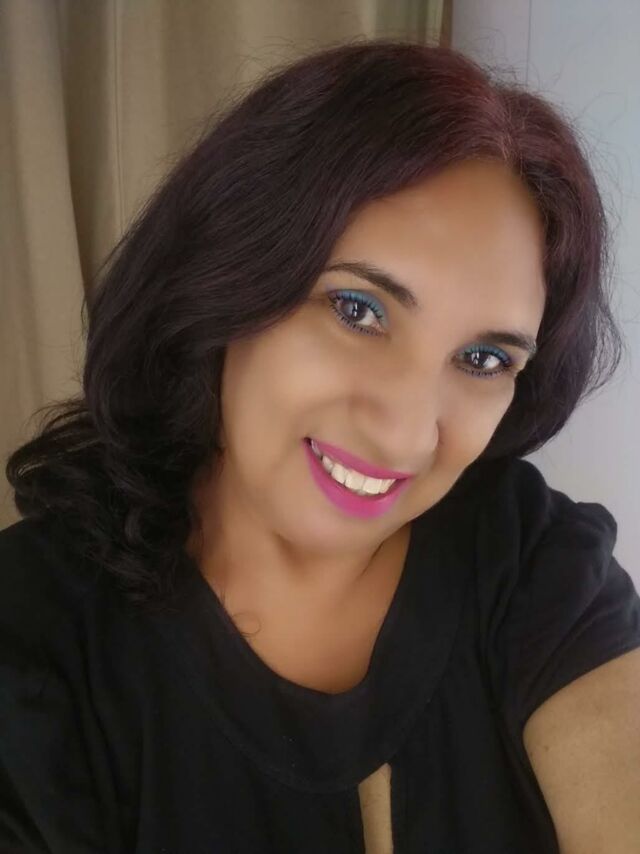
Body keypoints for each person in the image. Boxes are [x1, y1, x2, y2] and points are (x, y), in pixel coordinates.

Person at [1, 37, 639, 854]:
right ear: (225, 279)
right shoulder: (33, 638)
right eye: (357, 310)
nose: (405, 431)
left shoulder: (535, 563)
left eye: (483, 360)